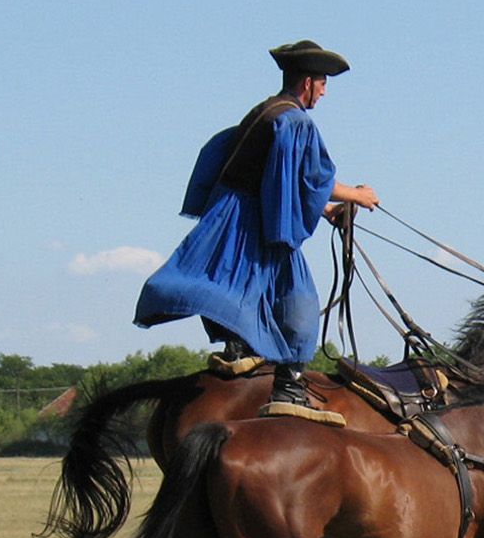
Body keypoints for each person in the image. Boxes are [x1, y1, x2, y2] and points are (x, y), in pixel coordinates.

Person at [134, 40, 379, 426]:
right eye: (323, 83)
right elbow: (309, 177)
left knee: (233, 287)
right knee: (297, 300)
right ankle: (289, 387)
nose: (325, 92)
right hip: (254, 223)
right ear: (308, 83)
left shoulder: (262, 113)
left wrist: (328, 211)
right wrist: (356, 196)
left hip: (233, 213)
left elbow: (278, 181)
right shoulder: (295, 121)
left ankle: (238, 348)